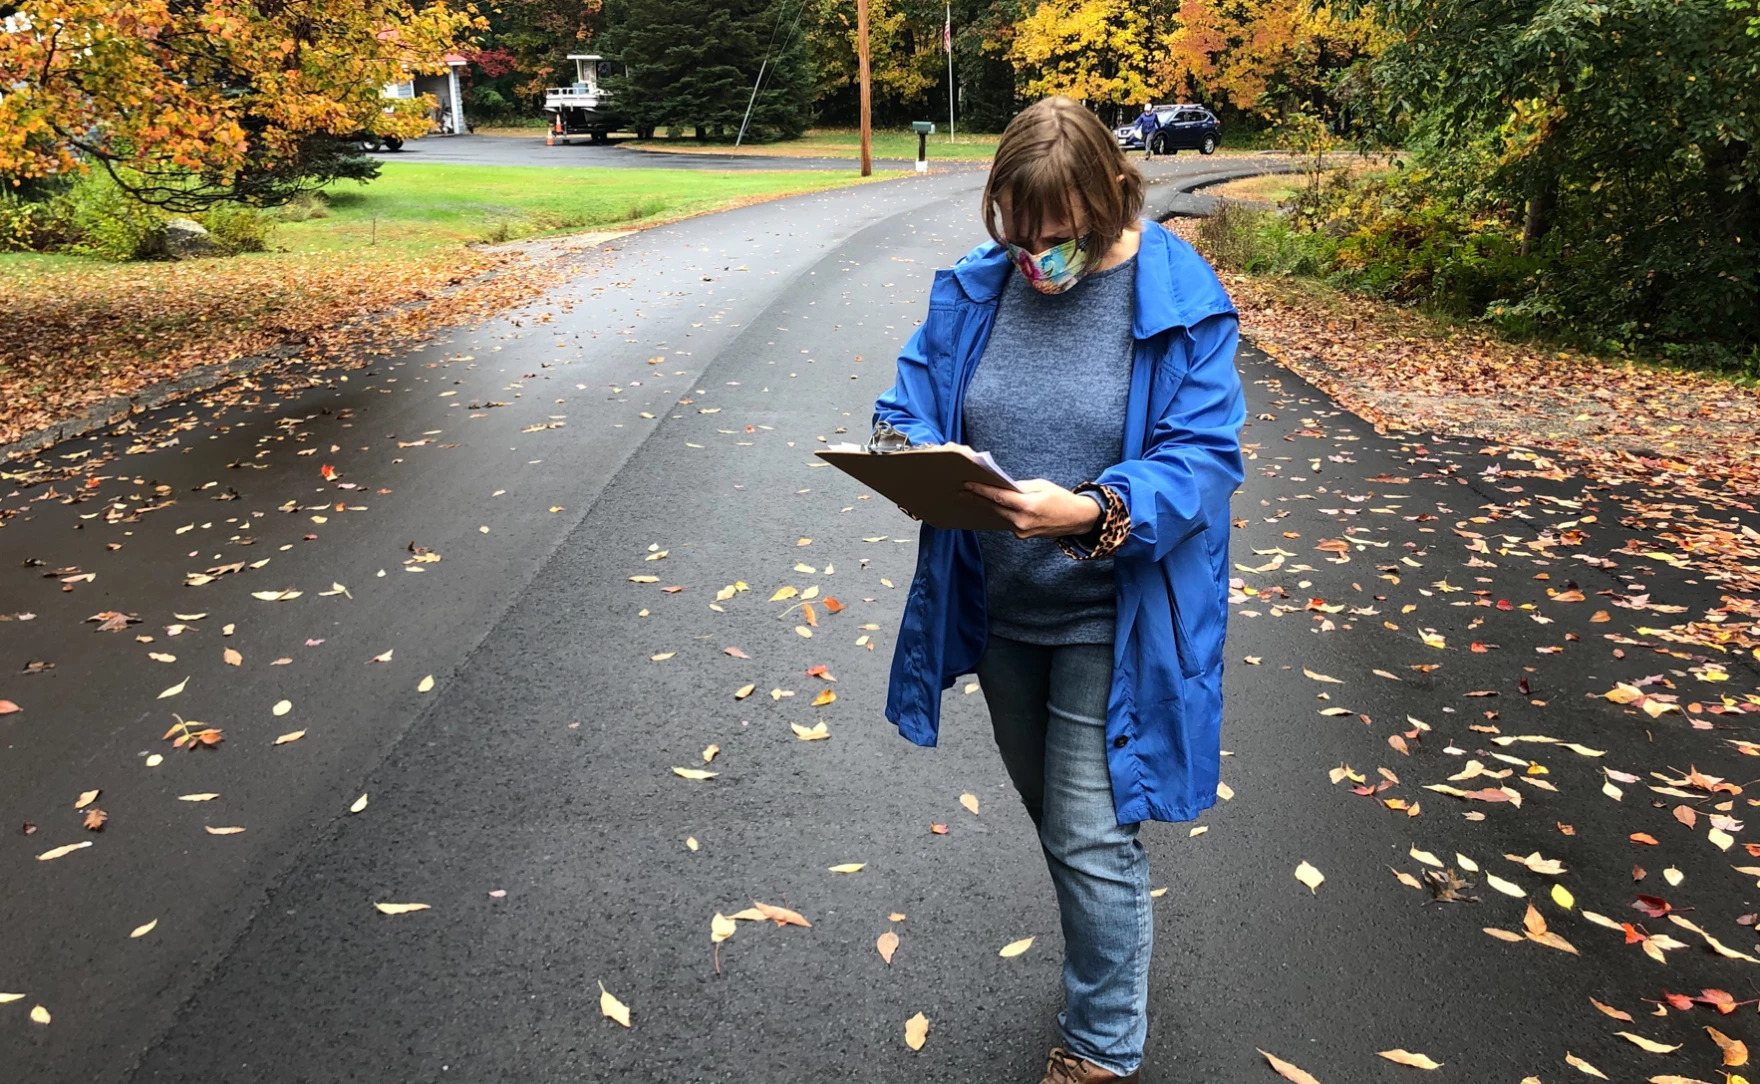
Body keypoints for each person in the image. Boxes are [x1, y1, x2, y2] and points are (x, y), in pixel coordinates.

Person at [871, 96, 1244, 1084]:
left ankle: (1100, 1048)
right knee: (1065, 820)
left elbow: (1200, 460)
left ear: (1111, 198)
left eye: (1061, 237)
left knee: (1084, 829)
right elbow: (909, 398)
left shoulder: (1179, 300)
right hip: (1000, 613)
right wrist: (903, 449)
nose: (1039, 259)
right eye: (1019, 234)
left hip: (1107, 620)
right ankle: (1109, 932)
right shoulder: (974, 290)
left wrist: (1089, 510)